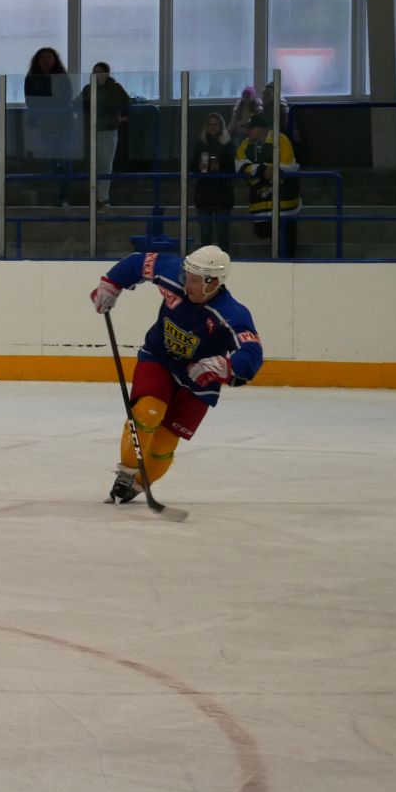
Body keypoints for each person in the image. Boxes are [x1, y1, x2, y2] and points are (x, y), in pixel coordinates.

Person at [89, 245, 263, 504]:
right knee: (147, 412)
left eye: (194, 280)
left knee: (165, 443)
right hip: (160, 358)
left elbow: (252, 352)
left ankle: (138, 484)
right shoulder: (174, 273)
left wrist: (226, 366)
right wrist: (111, 283)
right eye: (186, 275)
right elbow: (139, 262)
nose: (186, 282)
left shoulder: (231, 313)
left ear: (213, 282)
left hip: (199, 380)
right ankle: (126, 472)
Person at [234, 113, 301, 258]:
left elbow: (289, 164)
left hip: (285, 200)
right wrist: (263, 170)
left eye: (251, 128)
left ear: (261, 129)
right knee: (264, 233)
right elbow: (240, 164)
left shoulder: (280, 139)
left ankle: (288, 261)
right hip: (261, 203)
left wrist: (269, 171)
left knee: (288, 238)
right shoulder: (245, 144)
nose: (248, 132)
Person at [24, 46, 76, 206]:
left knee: (65, 157)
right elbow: (31, 101)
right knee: (52, 156)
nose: (46, 61)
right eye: (43, 58)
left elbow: (65, 98)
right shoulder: (32, 78)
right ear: (37, 61)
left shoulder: (62, 77)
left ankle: (64, 196)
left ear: (55, 60)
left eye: (49, 58)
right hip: (45, 124)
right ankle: (58, 183)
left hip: (64, 123)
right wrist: (44, 110)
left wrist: (48, 106)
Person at [80, 62, 131, 213]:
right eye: (94, 72)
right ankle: (96, 197)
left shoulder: (115, 88)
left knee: (106, 164)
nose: (97, 75)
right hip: (93, 131)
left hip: (109, 130)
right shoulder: (89, 89)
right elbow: (79, 103)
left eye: (100, 72)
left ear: (107, 73)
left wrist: (122, 118)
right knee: (95, 165)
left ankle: (102, 198)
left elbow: (127, 102)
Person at [192, 112, 236, 249]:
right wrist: (199, 166)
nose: (213, 127)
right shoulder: (200, 145)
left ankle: (224, 258)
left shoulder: (228, 145)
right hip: (203, 194)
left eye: (216, 124)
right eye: (210, 124)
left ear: (221, 126)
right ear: (206, 126)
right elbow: (192, 167)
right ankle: (206, 260)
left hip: (222, 195)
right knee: (205, 233)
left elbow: (233, 168)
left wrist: (220, 167)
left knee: (222, 232)